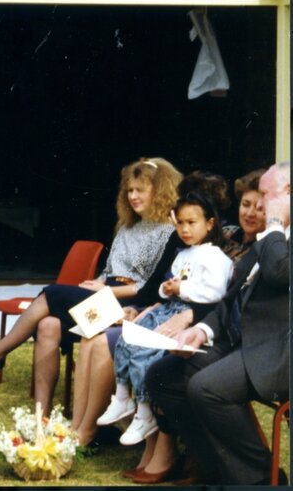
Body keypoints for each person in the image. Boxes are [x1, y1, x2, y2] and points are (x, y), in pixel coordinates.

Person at [0, 157, 182, 416]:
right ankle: (43, 416)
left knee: (52, 293)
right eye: (129, 190)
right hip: (104, 296)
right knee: (47, 325)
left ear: (159, 190)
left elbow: (149, 288)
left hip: (127, 305)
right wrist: (98, 281)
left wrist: (106, 291)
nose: (133, 196)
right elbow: (110, 270)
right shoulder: (128, 228)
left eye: (140, 190)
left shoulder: (168, 232)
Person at [146, 161, 290, 485]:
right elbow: (231, 298)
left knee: (206, 388)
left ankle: (263, 481)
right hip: (243, 343)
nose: (261, 204)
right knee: (162, 376)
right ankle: (220, 471)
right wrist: (201, 329)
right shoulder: (269, 237)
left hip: (277, 350)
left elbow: (282, 273)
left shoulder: (276, 235)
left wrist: (277, 225)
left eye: (267, 195)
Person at [97, 189, 233, 446]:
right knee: (127, 339)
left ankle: (146, 411)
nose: (185, 229)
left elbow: (215, 292)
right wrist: (167, 288)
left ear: (210, 223)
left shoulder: (216, 257)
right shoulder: (183, 254)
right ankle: (123, 396)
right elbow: (167, 284)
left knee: (145, 352)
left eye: (192, 223)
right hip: (168, 307)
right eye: (180, 223)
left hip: (186, 314)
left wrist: (181, 289)